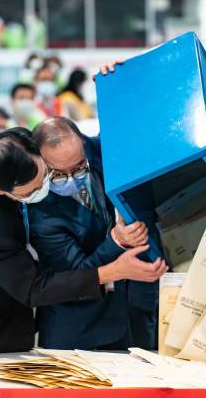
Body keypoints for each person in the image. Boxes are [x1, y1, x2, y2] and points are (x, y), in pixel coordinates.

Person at [0, 128, 167, 353]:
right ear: (2, 191)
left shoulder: (7, 146)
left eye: (45, 174)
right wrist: (111, 271)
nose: (45, 189)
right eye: (32, 191)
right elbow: (32, 288)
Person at [30, 117, 152, 349]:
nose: (70, 178)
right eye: (57, 173)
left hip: (122, 317)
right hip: (76, 331)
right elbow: (78, 274)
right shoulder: (40, 215)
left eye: (78, 167)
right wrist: (117, 240)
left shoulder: (94, 155)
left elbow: (128, 126)